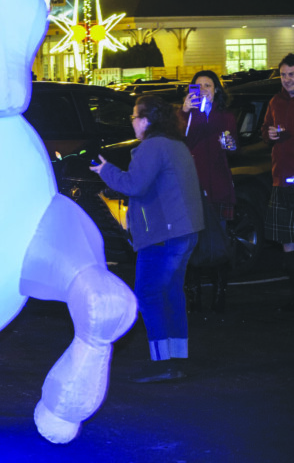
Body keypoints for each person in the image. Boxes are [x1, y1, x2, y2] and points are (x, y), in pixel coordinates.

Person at [90, 94, 204, 382]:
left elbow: (134, 185)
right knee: (172, 293)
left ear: (147, 120)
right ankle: (177, 357)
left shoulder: (152, 147)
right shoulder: (175, 144)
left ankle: (162, 364)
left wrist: (105, 170)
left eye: (134, 116)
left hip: (162, 235)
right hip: (184, 231)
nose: (132, 121)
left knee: (149, 294)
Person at [180, 70, 237, 312]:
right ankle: (193, 296)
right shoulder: (185, 116)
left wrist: (228, 140)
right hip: (192, 187)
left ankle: (220, 292)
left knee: (219, 241)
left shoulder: (224, 116)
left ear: (216, 91)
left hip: (218, 186)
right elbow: (183, 142)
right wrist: (186, 113)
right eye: (199, 86)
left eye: (209, 86)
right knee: (191, 244)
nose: (203, 90)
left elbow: (232, 147)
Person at [262, 53, 294, 311]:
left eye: (291, 74)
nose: (287, 79)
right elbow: (265, 131)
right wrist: (270, 134)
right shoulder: (274, 101)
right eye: (283, 75)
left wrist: (287, 132)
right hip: (281, 177)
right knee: (287, 237)